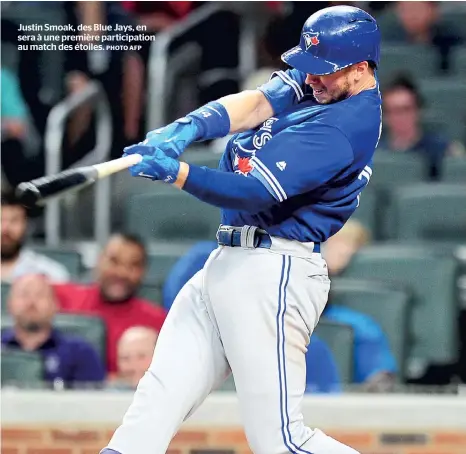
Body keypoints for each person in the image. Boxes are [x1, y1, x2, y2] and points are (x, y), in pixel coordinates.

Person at [102, 6, 381, 454]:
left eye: (323, 73)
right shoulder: (325, 84)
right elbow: (257, 103)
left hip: (276, 270)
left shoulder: (345, 126)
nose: (311, 80)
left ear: (360, 69)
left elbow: (253, 192)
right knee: (151, 411)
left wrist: (177, 172)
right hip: (230, 261)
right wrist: (187, 126)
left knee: (281, 441)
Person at [54, 233, 166, 373]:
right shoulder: (61, 297)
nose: (121, 273)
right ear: (98, 260)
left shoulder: (160, 322)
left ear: (143, 271)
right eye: (114, 261)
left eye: (133, 265)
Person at [322, 220, 398, 389]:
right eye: (333, 242)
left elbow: (381, 380)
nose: (339, 250)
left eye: (347, 243)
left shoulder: (359, 326)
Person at [1, 274, 105, 388]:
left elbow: (93, 401)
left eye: (40, 295)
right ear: (8, 304)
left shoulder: (80, 352)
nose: (31, 302)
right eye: (24, 295)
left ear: (55, 305)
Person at [378, 75, 463, 179]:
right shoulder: (374, 153)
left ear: (418, 110)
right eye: (394, 111)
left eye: (406, 109)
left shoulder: (443, 150)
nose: (400, 117)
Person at [1, 192, 70, 283]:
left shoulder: (49, 274)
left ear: (27, 225)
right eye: (0, 220)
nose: (5, 229)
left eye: (14, 221)